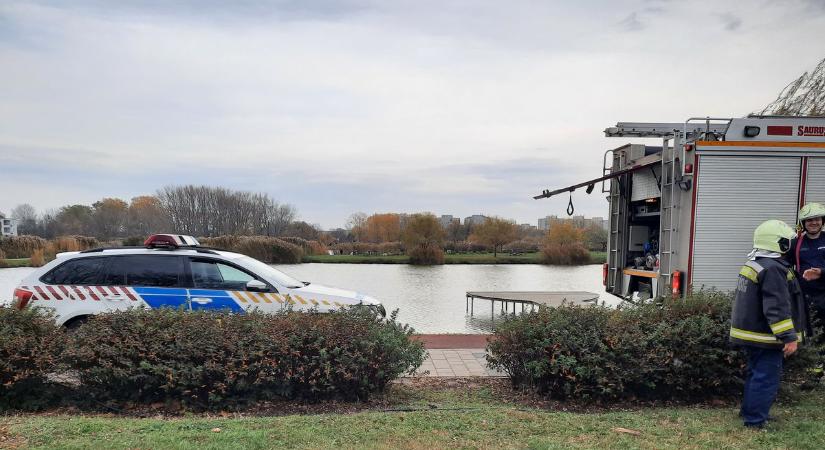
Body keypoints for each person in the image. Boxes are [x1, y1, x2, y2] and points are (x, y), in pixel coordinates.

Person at [730, 219, 810, 429]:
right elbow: (776, 307)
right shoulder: (774, 269)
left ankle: (750, 411)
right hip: (765, 335)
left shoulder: (756, 263)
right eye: (789, 241)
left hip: (751, 333)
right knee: (765, 377)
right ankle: (755, 420)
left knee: (755, 373)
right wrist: (788, 337)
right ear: (780, 244)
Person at [790, 203, 825, 336]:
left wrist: (821, 272)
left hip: (823, 297)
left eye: (817, 219)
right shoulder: (796, 243)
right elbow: (785, 266)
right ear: (803, 222)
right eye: (810, 219)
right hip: (804, 299)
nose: (814, 222)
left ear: (822, 221)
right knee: (807, 336)